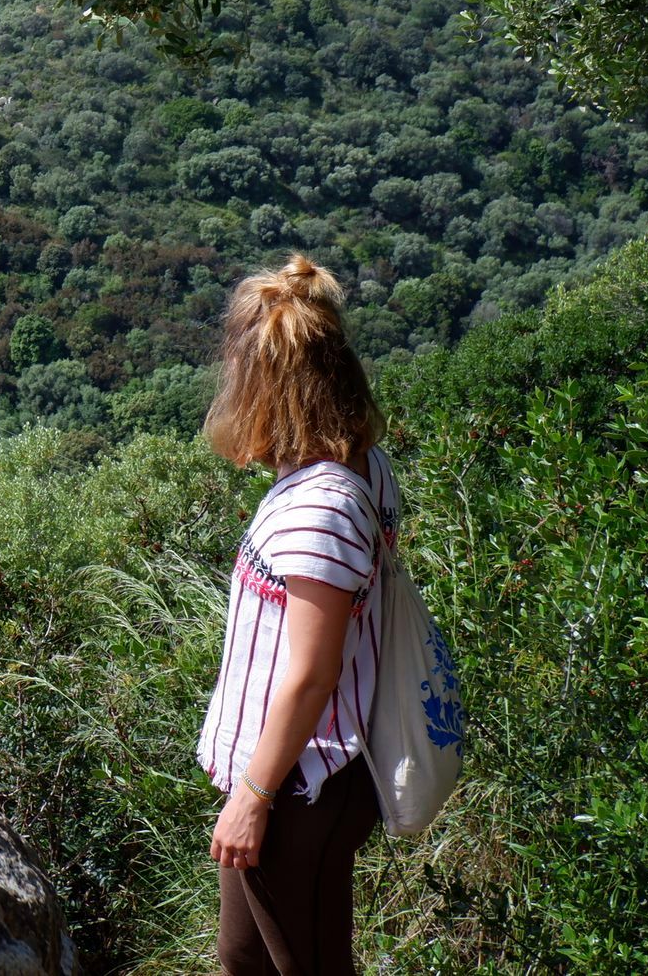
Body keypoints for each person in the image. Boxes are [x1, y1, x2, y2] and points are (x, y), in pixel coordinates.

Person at [197, 255, 399, 976]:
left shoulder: (322, 506)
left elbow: (312, 674)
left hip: (301, 782)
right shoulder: (359, 466)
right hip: (282, 774)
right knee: (244, 960)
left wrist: (253, 797)